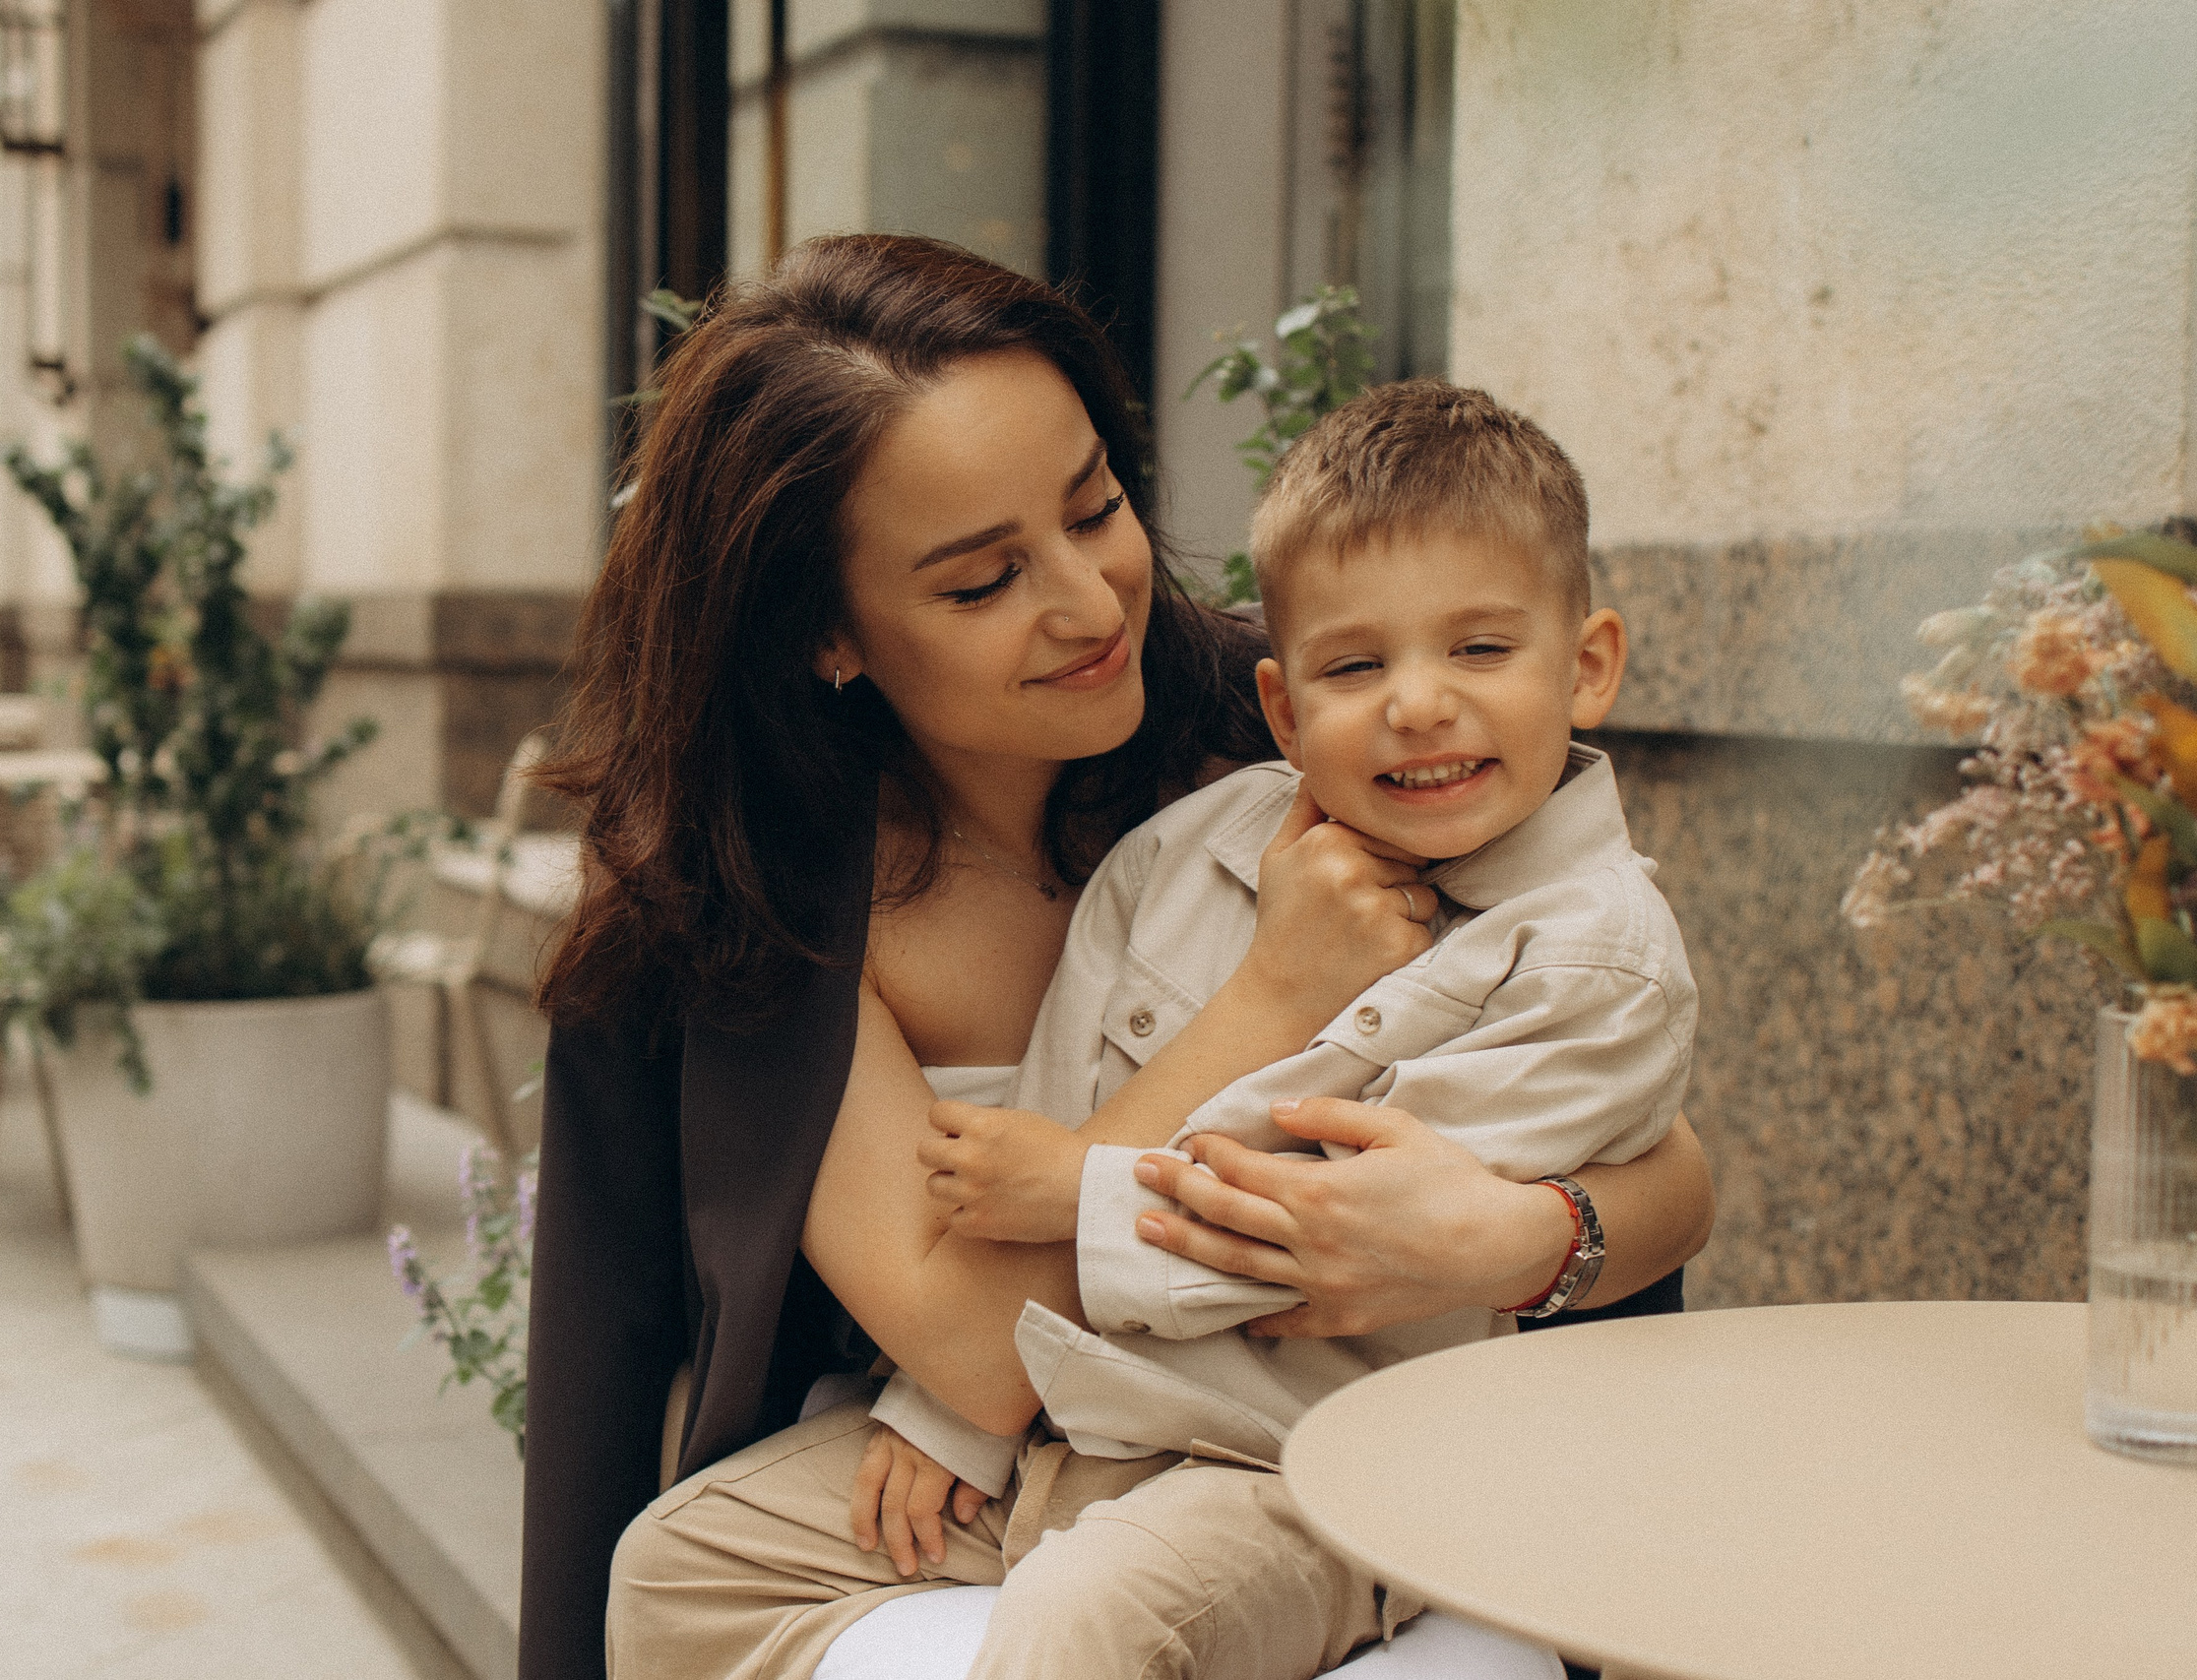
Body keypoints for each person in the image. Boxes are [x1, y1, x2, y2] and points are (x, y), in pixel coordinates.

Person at [521, 234, 1715, 1680]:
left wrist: (1516, 1236)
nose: (1090, 606)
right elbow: (971, 1345)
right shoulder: (773, 892)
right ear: (827, 632)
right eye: (981, 583)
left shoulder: (1301, 734)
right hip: (1000, 1455)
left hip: (1304, 1441)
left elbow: (1661, 1158)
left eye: (1096, 508)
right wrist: (1272, 991)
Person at [891, 380, 1691, 1608]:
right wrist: (946, 1416)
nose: (1417, 702)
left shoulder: (1588, 956)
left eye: (1479, 647)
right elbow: (1054, 1105)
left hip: (1320, 1453)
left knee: (1080, 1618)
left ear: (1587, 668)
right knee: (680, 1557)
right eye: (1357, 663)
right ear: (1283, 705)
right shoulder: (1187, 848)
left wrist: (1075, 1189)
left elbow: (1349, 1230)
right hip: (1083, 1414)